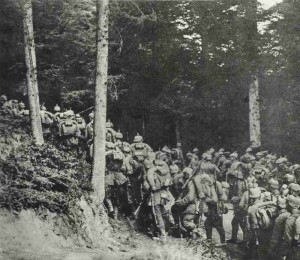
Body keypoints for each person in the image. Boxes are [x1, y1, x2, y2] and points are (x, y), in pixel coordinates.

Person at [172, 167, 198, 238]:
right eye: (184, 173)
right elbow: (181, 193)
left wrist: (181, 202)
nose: (184, 175)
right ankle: (181, 230)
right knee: (174, 209)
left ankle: (197, 231)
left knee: (186, 221)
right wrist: (179, 199)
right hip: (187, 204)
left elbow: (190, 197)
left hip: (191, 204)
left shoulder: (191, 183)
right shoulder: (184, 182)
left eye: (186, 174)